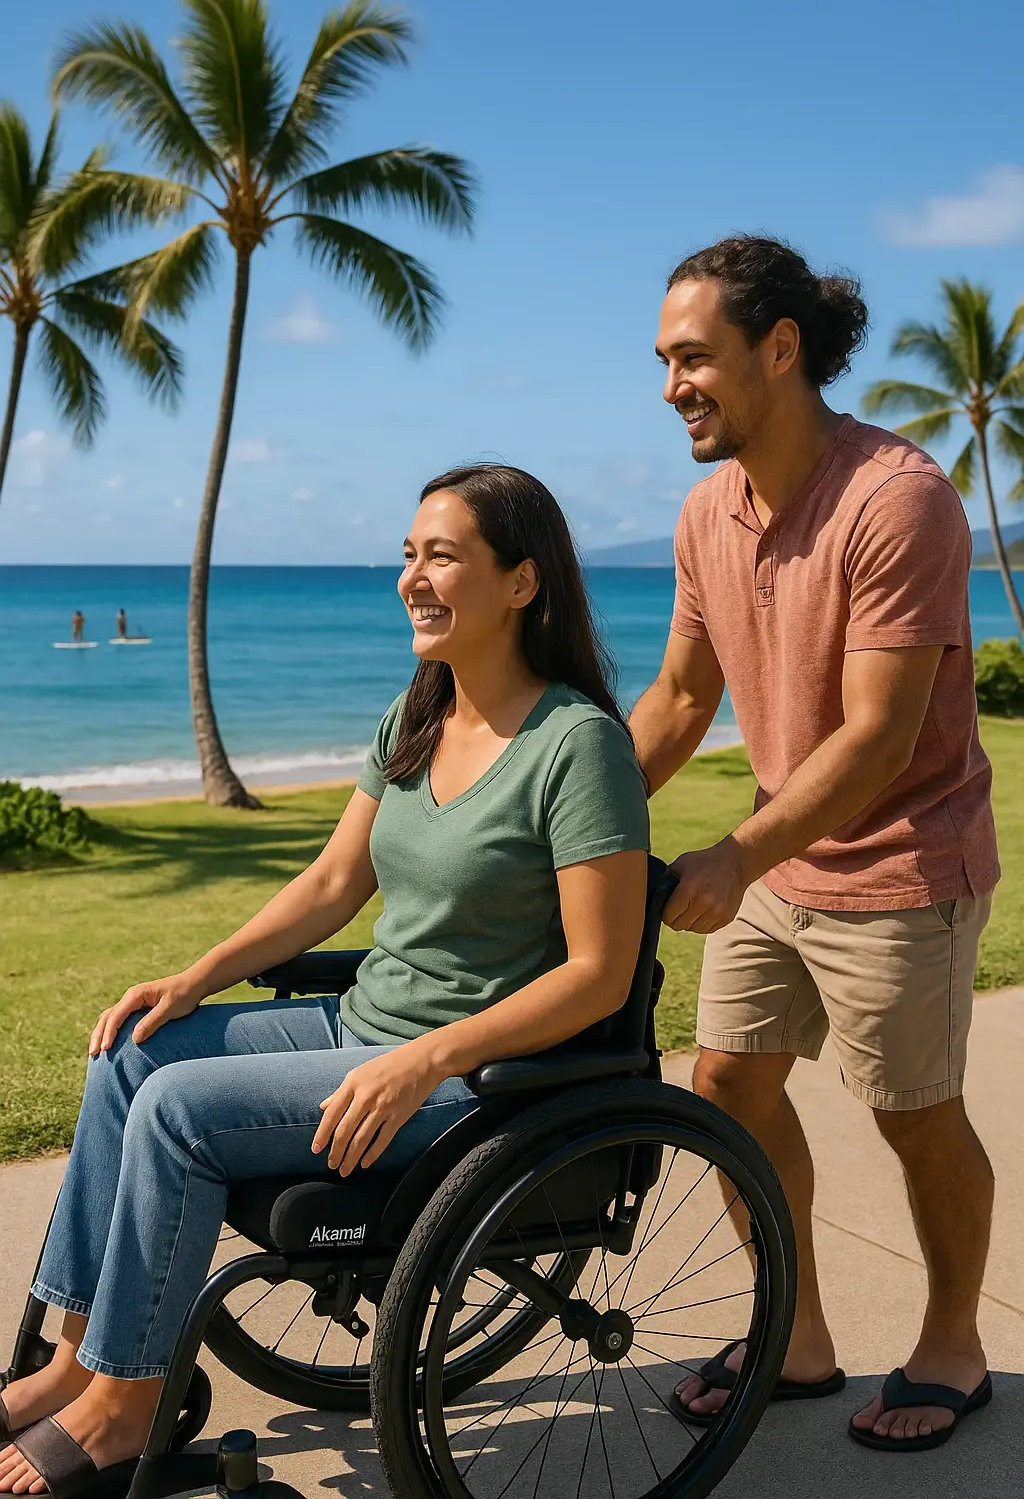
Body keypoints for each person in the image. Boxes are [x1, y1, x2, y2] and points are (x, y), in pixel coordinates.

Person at [0, 464, 650, 1494]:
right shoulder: (416, 714)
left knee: (173, 1110)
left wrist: (424, 1058)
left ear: (522, 583)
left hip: (468, 1080)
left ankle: (125, 1412)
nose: (412, 577)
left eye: (442, 555)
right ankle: (76, 1366)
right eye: (408, 554)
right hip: (363, 1024)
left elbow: (599, 975)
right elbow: (333, 883)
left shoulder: (578, 747)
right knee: (134, 1053)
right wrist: (193, 978)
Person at [629, 236, 998, 1454]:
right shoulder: (705, 511)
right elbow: (682, 700)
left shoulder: (897, 498)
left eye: (693, 357)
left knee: (911, 1111)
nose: (672, 383)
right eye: (664, 361)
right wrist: (567, 819)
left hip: (902, 861)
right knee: (728, 1085)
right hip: (783, 861)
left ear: (777, 348)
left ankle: (954, 1341)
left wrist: (731, 854)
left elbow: (881, 738)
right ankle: (797, 1338)